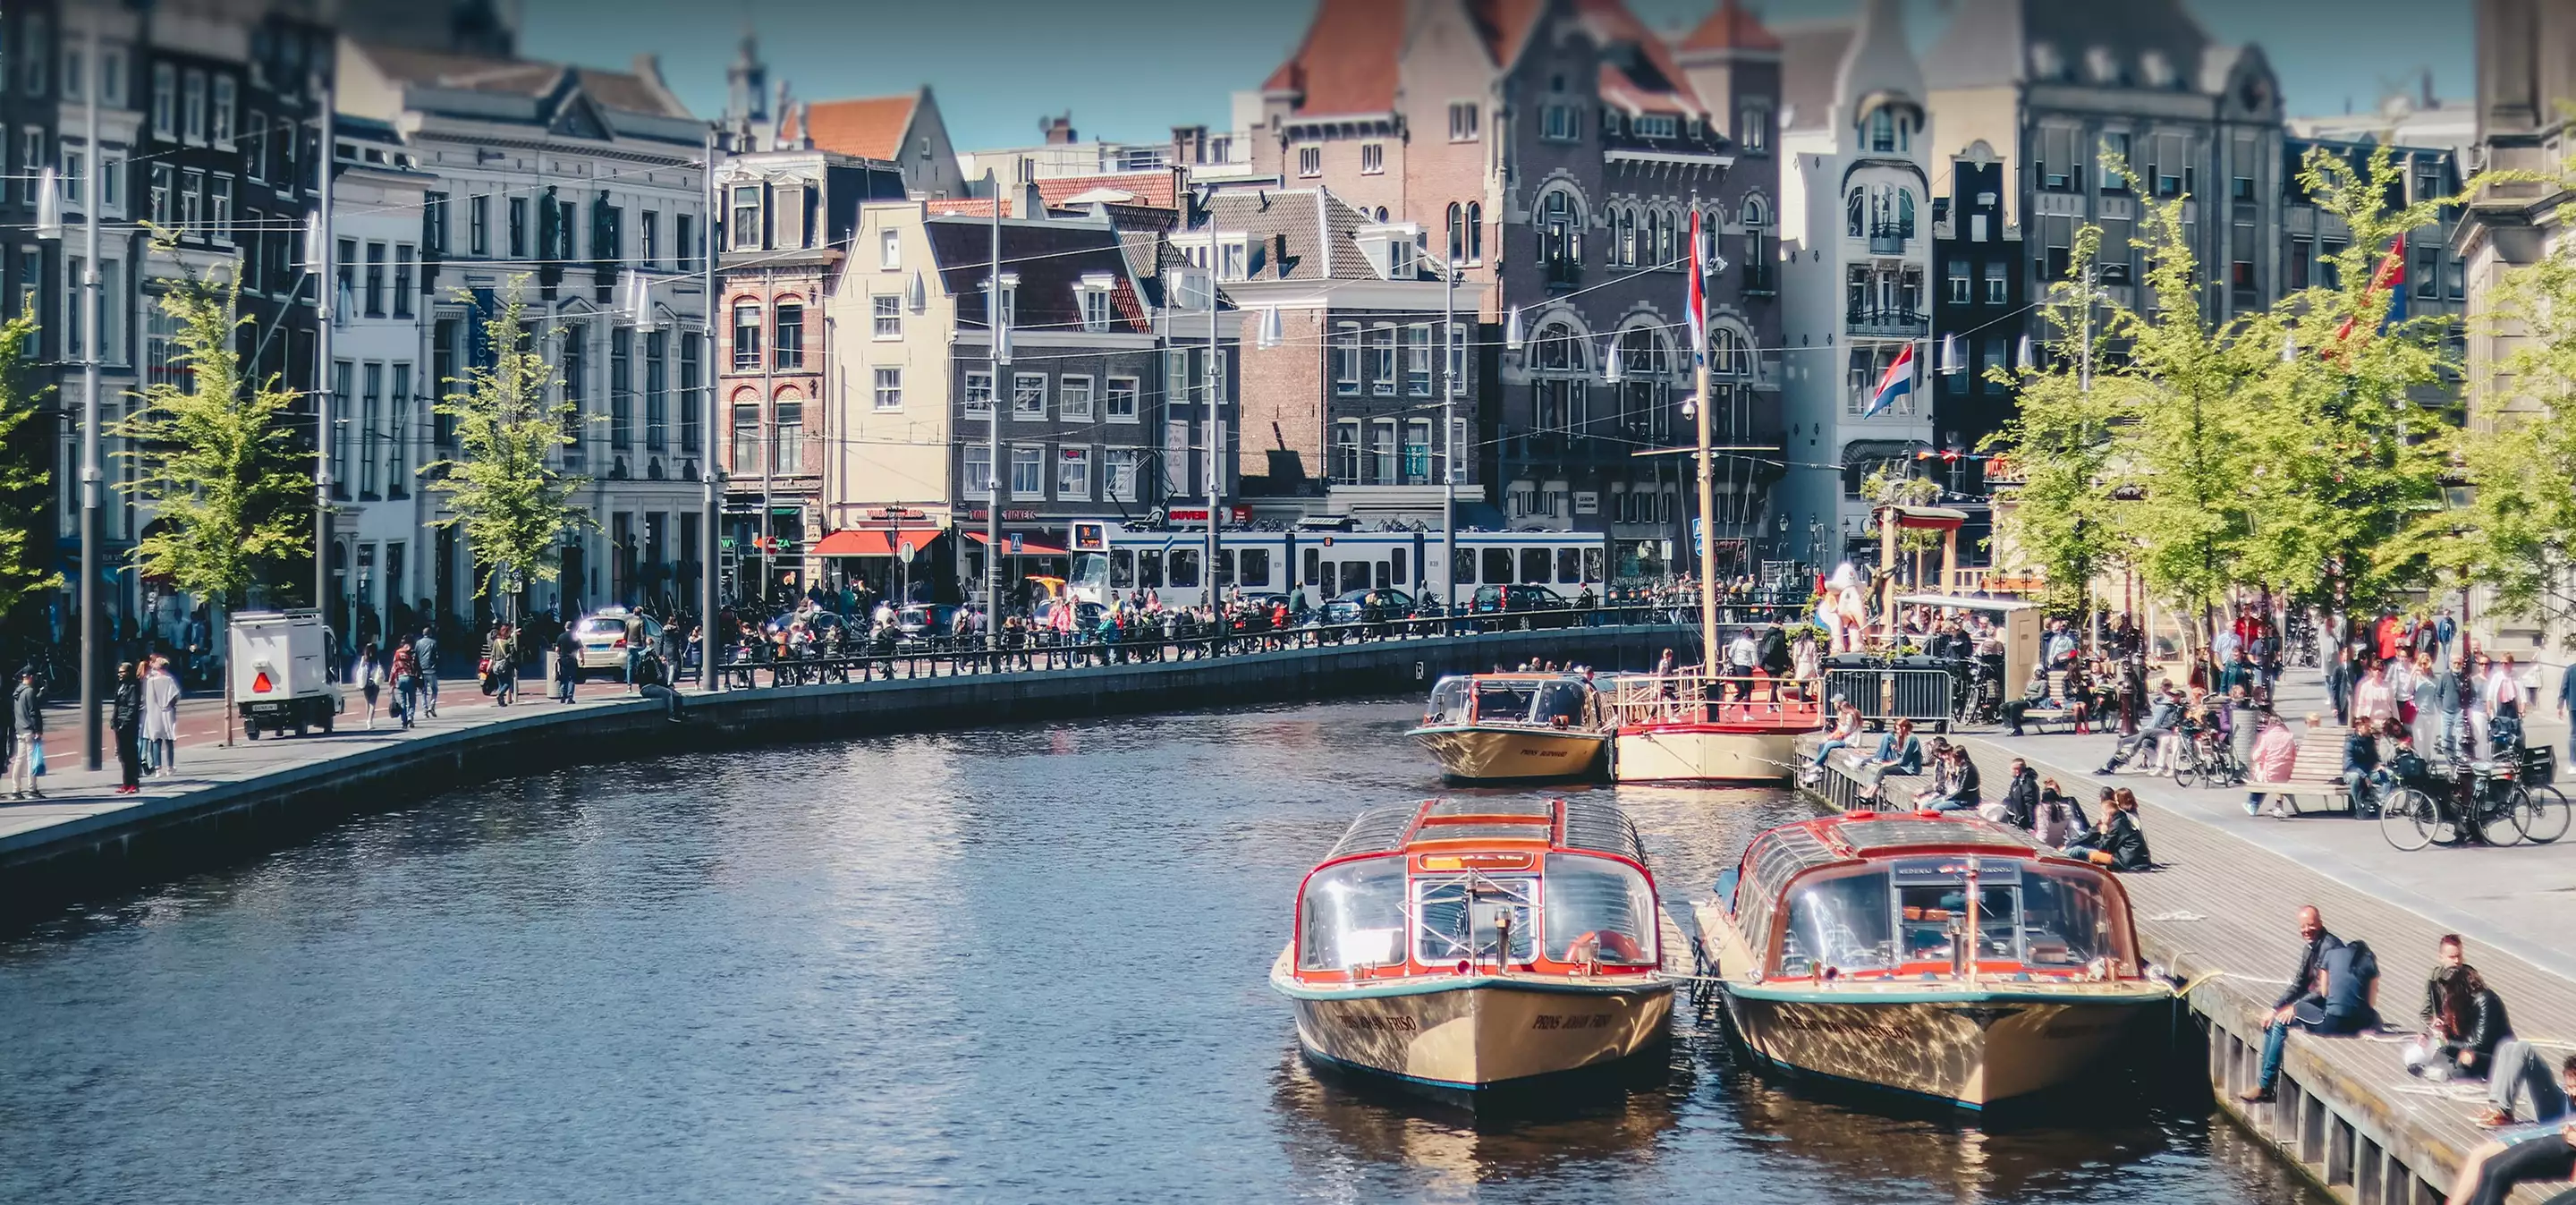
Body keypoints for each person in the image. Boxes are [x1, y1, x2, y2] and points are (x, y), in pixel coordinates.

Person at [2241, 906, 2374, 1103]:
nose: (2306, 930)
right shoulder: (2311, 947)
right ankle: (2265, 1083)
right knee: (2274, 1019)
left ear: (2320, 923)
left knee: (2279, 1024)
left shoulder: (2332, 948)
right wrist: (2275, 1007)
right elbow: (2299, 984)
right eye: (2303, 926)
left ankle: (2265, 1086)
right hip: (2324, 1005)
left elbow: (2323, 990)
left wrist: (2295, 1008)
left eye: (2311, 925)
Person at [2447, 1060, 2576, 1205]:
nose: (2572, 1093)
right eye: (2569, 1088)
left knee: (2494, 1168)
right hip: (2564, 1135)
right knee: (2492, 1168)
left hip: (2567, 1143)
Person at [2412, 935, 2511, 1082]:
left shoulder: (2483, 999)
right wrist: (2435, 1029)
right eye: (2452, 957)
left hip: (2489, 1052)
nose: (2457, 961)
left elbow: (2479, 1042)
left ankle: (2439, 1071)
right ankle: (2434, 1069)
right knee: (2440, 1054)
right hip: (2462, 1041)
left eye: (2459, 956)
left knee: (2462, 1065)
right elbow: (2428, 1012)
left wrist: (2448, 1041)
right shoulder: (2437, 981)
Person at [2064, 788, 2150, 870]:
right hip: (2140, 858)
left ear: (2108, 816)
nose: (2101, 817)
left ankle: (2062, 854)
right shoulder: (2122, 818)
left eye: (2102, 815)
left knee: (2082, 851)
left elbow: (2103, 848)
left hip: (2127, 861)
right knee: (2085, 845)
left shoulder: (2115, 826)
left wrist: (2103, 833)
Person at [2245, 714, 2299, 818]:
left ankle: (2252, 804)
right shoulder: (2289, 736)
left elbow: (2256, 756)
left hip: (2271, 774)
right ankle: (2278, 805)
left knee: (2259, 777)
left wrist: (2259, 760)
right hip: (2286, 774)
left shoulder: (2266, 737)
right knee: (2269, 776)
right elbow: (2294, 754)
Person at [1857, 718, 1924, 800]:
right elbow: (1904, 754)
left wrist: (1889, 764)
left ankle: (1871, 794)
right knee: (1882, 769)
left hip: (1910, 768)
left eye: (1898, 729)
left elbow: (1904, 760)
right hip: (1906, 765)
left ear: (1904, 728)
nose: (1897, 732)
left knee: (1884, 770)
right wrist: (1895, 750)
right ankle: (1869, 792)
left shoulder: (1912, 739)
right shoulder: (1907, 738)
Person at [1803, 703, 1863, 785]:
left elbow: (1846, 730)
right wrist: (1831, 736)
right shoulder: (1848, 714)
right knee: (1822, 744)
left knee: (1829, 745)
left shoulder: (1850, 716)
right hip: (1846, 738)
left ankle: (1816, 763)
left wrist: (1840, 725)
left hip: (1851, 741)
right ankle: (1818, 768)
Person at [141, 656, 180, 777]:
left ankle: (158, 769)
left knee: (156, 739)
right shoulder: (169, 680)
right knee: (169, 739)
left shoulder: (150, 681)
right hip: (167, 712)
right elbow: (175, 695)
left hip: (154, 713)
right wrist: (170, 706)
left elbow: (148, 698)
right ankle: (170, 767)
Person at [110, 661, 142, 794]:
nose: (120, 675)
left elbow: (133, 706)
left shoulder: (133, 687)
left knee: (130, 754)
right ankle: (126, 783)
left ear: (129, 673)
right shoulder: (121, 687)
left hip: (129, 724)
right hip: (119, 723)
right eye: (119, 672)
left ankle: (134, 783)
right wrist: (114, 720)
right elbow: (117, 706)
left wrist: (126, 722)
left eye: (122, 672)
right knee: (122, 755)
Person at [9, 667, 41, 799]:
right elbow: (33, 713)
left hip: (20, 729)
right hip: (29, 730)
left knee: (19, 760)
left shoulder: (18, 691)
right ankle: (32, 789)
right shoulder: (30, 692)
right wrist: (38, 730)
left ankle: (15, 789)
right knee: (31, 760)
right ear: (31, 677)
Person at [634, 648, 684, 722]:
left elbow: (660, 680)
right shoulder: (647, 664)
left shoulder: (657, 665)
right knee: (667, 693)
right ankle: (671, 715)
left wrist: (668, 686)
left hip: (655, 686)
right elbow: (653, 678)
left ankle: (680, 714)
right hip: (647, 688)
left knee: (677, 695)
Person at [2001, 664, 2051, 737]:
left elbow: (2041, 696)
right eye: (2037, 671)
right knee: (2002, 707)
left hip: (2033, 703)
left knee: (2013, 706)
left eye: (2040, 671)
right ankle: (2010, 726)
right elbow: (2026, 692)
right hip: (2025, 700)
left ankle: (2017, 729)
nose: (2038, 673)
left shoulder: (2043, 683)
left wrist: (2028, 698)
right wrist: (2023, 696)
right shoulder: (2031, 682)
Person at [1989, 758, 2039, 828]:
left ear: (2017, 771)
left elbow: (2029, 803)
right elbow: (2012, 798)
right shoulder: (2018, 782)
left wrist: (2032, 824)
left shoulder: (2026, 783)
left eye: (2011, 769)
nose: (2010, 771)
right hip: (2014, 815)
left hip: (2020, 821)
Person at [389, 638, 418, 731]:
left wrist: (391, 684)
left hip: (400, 679)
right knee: (412, 700)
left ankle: (404, 722)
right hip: (410, 678)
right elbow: (416, 667)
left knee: (403, 702)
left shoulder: (397, 654)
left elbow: (394, 669)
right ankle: (410, 717)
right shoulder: (411, 653)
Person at [414, 626, 440, 718]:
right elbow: (437, 657)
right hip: (431, 670)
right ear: (430, 633)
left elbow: (415, 657)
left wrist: (416, 669)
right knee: (435, 690)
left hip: (422, 670)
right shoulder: (434, 642)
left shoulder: (418, 643)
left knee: (423, 691)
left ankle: (424, 710)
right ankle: (431, 706)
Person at [553, 625, 582, 704]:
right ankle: (570, 698)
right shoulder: (575, 637)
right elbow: (580, 649)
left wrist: (560, 655)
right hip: (572, 659)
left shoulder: (561, 636)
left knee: (563, 678)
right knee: (571, 679)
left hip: (563, 660)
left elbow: (557, 650)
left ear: (565, 627)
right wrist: (582, 658)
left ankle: (562, 696)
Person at [356, 644, 382, 730]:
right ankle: (369, 721)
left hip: (366, 683)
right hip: (374, 682)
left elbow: (360, 669)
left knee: (367, 702)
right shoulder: (376, 658)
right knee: (372, 704)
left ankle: (368, 719)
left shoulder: (364, 658)